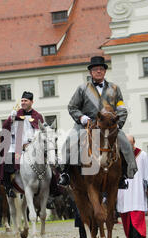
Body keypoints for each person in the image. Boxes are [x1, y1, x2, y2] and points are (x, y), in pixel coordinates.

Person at [57, 56, 137, 189]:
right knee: (69, 141)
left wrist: (118, 124)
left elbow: (122, 109)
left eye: (101, 69)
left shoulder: (115, 89)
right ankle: (65, 173)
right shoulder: (82, 88)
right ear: (91, 72)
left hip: (109, 125)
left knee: (126, 144)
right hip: (87, 124)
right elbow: (72, 107)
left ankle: (124, 175)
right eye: (95, 69)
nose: (98, 71)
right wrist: (81, 118)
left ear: (105, 71)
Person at [0, 91, 44, 197]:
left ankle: (51, 190)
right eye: (22, 101)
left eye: (25, 101)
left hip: (33, 145)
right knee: (8, 159)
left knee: (48, 162)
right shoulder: (16, 114)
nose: (23, 103)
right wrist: (11, 119)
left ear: (32, 102)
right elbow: (5, 128)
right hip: (17, 145)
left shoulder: (37, 116)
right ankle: (8, 187)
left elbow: (42, 132)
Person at [117, 135, 148, 238]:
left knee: (137, 215)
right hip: (124, 189)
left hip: (137, 190)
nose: (129, 145)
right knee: (126, 216)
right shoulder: (119, 155)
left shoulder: (142, 155)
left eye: (131, 143)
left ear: (134, 142)